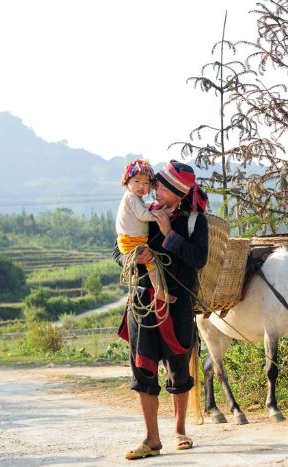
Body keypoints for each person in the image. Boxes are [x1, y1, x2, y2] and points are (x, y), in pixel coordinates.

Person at [113, 160, 209, 460]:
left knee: (179, 368)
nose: (155, 188)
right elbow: (117, 250)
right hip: (143, 302)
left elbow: (198, 259)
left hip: (177, 304)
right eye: (155, 184)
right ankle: (151, 439)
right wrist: (133, 259)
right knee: (143, 369)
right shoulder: (143, 210)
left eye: (162, 186)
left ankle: (180, 430)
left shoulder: (194, 221)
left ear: (178, 193)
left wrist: (168, 232)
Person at [115, 159, 170, 308]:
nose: (141, 186)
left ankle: (159, 291)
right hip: (132, 241)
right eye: (137, 181)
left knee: (150, 263)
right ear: (127, 181)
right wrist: (161, 214)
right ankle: (159, 292)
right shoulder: (132, 197)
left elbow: (142, 208)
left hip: (131, 240)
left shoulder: (134, 198)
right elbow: (143, 215)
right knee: (151, 263)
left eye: (146, 183)